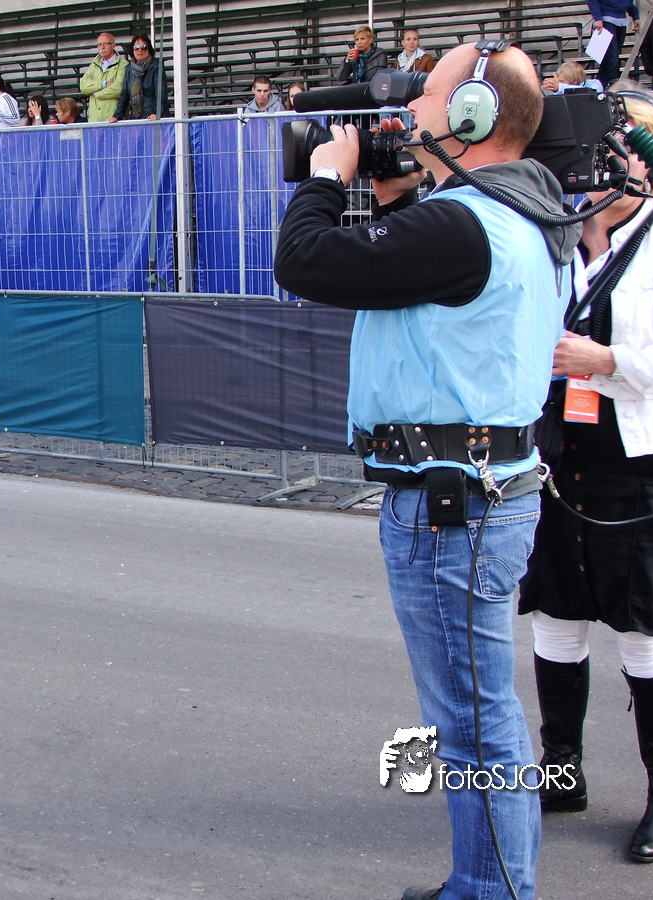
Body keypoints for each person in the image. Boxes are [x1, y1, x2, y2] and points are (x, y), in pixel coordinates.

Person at [273, 41, 580, 900]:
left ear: (476, 115)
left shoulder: (465, 225)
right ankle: (485, 882)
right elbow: (425, 282)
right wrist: (395, 197)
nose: (408, 111)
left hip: (453, 508)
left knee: (474, 725)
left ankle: (493, 892)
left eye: (429, 95)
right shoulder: (519, 213)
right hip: (481, 495)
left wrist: (325, 179)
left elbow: (305, 261)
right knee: (480, 715)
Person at [518, 83, 653, 864]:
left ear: (644, 161)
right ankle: (563, 771)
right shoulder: (554, 239)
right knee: (556, 617)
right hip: (561, 454)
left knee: (645, 628)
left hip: (644, 461)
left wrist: (611, 360)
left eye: (611, 151)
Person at [110, 33, 169, 122]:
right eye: (136, 48)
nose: (140, 50)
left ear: (149, 49)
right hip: (136, 117)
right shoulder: (129, 68)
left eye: (143, 47)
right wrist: (116, 116)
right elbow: (124, 95)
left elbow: (161, 93)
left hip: (154, 118)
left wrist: (157, 113)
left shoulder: (156, 66)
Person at [588, 2, 641, 88]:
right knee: (612, 58)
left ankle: (599, 86)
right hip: (606, 19)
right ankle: (613, 87)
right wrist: (597, 18)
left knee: (610, 58)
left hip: (621, 20)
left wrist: (635, 16)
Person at [79, 32, 128, 122]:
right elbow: (83, 86)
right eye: (99, 44)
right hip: (94, 120)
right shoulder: (94, 64)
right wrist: (103, 84)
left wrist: (96, 93)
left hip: (113, 120)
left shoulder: (123, 64)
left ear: (113, 45)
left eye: (106, 44)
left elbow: (119, 88)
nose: (102, 47)